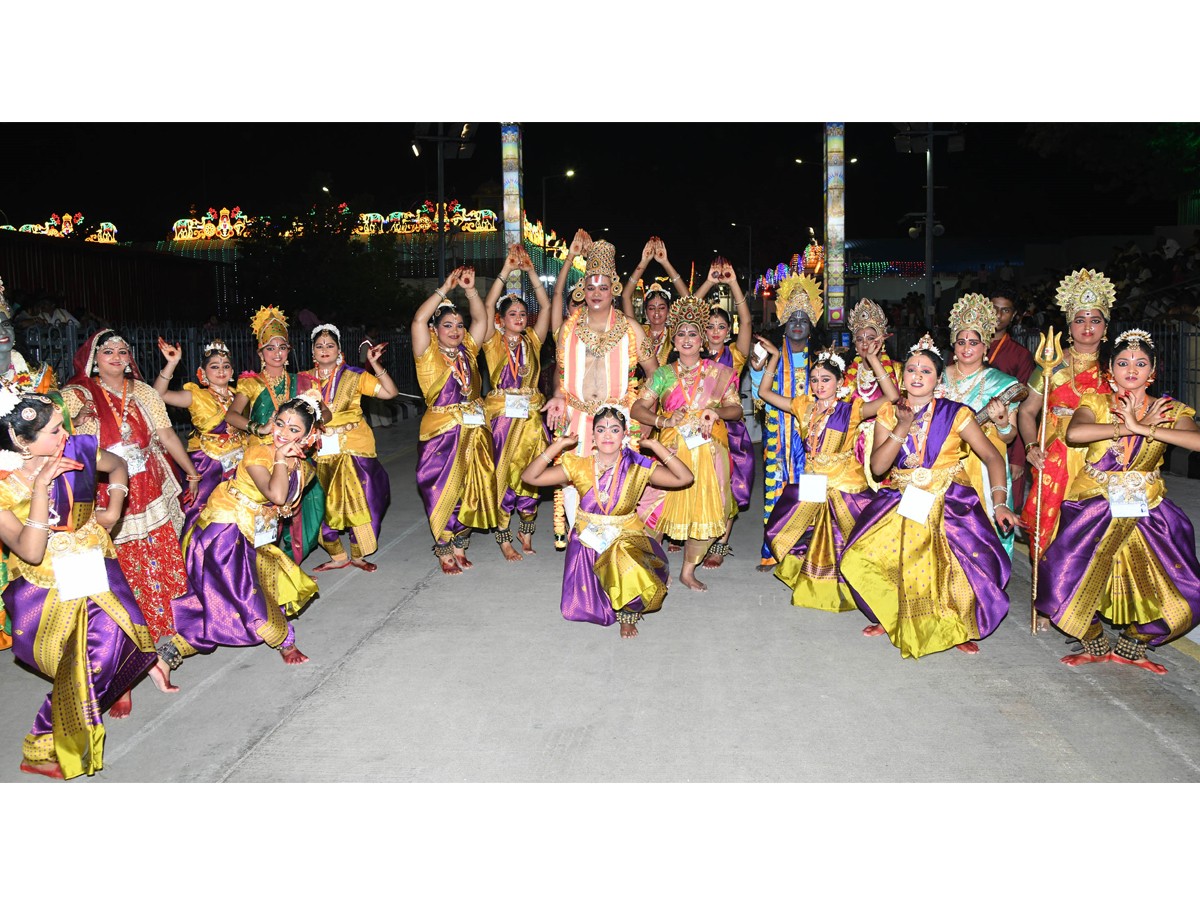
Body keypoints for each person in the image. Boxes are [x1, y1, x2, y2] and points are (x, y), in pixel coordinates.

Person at [0, 389, 171, 779]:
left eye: (63, 427)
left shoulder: (77, 452)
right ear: (21, 440)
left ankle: (49, 742)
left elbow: (118, 466)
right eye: (55, 430)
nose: (66, 435)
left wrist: (114, 505)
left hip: (95, 564)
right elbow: (29, 549)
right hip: (47, 588)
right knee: (79, 664)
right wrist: (42, 487)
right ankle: (45, 746)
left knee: (111, 644)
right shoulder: (5, 488)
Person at [840, 334, 1021, 659]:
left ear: (938, 380)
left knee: (953, 566)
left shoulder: (958, 414)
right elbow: (880, 467)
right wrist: (902, 426)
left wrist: (1001, 502)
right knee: (862, 558)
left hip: (949, 502)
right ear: (903, 376)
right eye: (911, 369)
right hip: (901, 498)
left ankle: (957, 625)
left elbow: (993, 457)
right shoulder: (888, 413)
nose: (917, 376)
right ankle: (892, 615)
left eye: (926, 371)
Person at [1036, 330, 1200, 672]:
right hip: (1095, 504)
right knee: (1063, 577)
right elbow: (1075, 434)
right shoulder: (1095, 403)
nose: (1132, 369)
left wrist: (1145, 428)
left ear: (1152, 370)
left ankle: (1132, 644)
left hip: (1149, 507)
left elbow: (1194, 440)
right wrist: (1129, 428)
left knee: (1186, 589)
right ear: (1110, 368)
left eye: (1141, 363)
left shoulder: (1169, 408)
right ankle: (1093, 641)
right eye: (1123, 362)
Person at [61, 330, 198, 668]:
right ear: (94, 359)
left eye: (123, 351)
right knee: (118, 556)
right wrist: (73, 421)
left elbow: (166, 434)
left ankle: (169, 622)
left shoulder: (142, 391)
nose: (118, 358)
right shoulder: (77, 394)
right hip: (105, 488)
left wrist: (191, 472)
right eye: (109, 352)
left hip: (147, 483)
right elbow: (51, 430)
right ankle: (128, 631)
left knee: (159, 547)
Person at [159, 395, 322, 673]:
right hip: (225, 526)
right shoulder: (259, 452)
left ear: (310, 435)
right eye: (280, 423)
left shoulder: (305, 465)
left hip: (253, 529)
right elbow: (277, 495)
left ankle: (171, 652)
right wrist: (281, 459)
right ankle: (283, 640)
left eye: (294, 430)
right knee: (240, 592)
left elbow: (285, 507)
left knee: (228, 591)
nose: (283, 433)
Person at [520, 406, 693, 638]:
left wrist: (657, 447)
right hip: (588, 539)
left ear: (624, 435)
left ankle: (627, 615)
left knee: (623, 556)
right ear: (593, 436)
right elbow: (529, 477)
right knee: (581, 610)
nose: (608, 435)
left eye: (614, 429)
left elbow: (685, 478)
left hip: (625, 537)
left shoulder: (637, 466)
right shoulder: (579, 466)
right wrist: (557, 447)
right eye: (601, 430)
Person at [757, 342, 897, 611]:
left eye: (826, 379)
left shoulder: (852, 409)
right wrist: (774, 358)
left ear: (840, 381)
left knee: (851, 541)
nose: (819, 385)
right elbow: (764, 392)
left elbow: (891, 397)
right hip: (813, 483)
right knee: (788, 533)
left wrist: (872, 359)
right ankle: (819, 586)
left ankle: (857, 589)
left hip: (845, 486)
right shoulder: (803, 406)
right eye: (814, 380)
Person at [631, 295, 744, 592]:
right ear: (674, 338)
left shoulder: (719, 373)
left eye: (693, 333)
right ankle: (654, 566)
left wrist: (715, 411)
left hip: (709, 450)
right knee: (652, 507)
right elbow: (638, 409)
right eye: (680, 333)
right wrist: (662, 421)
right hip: (670, 452)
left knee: (708, 510)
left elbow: (737, 409)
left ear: (702, 339)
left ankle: (688, 571)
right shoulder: (662, 375)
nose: (686, 339)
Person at [545, 238, 652, 546]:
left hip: (618, 423)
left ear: (613, 290)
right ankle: (584, 557)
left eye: (603, 287)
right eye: (590, 288)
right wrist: (556, 395)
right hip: (577, 420)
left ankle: (614, 560)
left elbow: (656, 376)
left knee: (616, 492)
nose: (596, 294)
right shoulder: (569, 328)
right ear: (583, 290)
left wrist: (643, 413)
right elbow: (560, 371)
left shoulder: (632, 328)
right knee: (574, 490)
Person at [1017, 270, 1115, 563]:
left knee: (1098, 531)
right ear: (1069, 326)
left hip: (1103, 456)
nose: (1088, 327)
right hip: (1056, 455)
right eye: (1080, 320)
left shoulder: (1117, 364)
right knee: (1052, 529)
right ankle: (1051, 598)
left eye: (1095, 320)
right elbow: (1027, 411)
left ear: (1105, 327)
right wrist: (1031, 447)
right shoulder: (1052, 363)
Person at [412, 267, 498, 573]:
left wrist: (471, 290)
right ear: (435, 330)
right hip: (441, 433)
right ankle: (443, 547)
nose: (456, 330)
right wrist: (446, 288)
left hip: (474, 431)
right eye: (447, 325)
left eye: (459, 325)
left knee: (470, 489)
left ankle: (461, 543)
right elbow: (419, 319)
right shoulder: (427, 354)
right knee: (438, 489)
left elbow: (482, 320)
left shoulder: (468, 352)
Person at [225, 306, 327, 564]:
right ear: (261, 352)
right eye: (270, 348)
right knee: (268, 512)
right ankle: (267, 568)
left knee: (310, 505)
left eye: (282, 347)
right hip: (263, 455)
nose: (277, 353)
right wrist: (258, 428)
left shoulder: (303, 381)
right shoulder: (251, 383)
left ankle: (292, 562)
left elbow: (326, 413)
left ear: (289, 352)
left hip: (296, 452)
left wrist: (311, 426)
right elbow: (232, 415)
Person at [297, 322, 398, 573]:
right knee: (323, 505)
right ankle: (338, 555)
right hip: (319, 450)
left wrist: (375, 364)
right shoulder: (302, 380)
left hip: (354, 447)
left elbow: (390, 393)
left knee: (365, 500)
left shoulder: (354, 375)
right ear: (312, 351)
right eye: (319, 346)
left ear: (339, 349)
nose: (324, 349)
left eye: (330, 345)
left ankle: (358, 554)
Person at [0, 275, 62, 650]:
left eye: (6, 324)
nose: (3, 333)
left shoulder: (31, 375)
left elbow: (53, 426)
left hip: (32, 467)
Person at [937, 293, 1023, 556]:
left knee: (980, 532)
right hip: (943, 461)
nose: (966, 348)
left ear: (985, 347)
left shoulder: (1003, 384)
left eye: (973, 342)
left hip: (985, 464)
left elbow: (1009, 437)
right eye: (961, 341)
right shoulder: (937, 377)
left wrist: (1001, 423)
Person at [481, 245, 552, 560]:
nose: (520, 318)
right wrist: (506, 271)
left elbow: (547, 308)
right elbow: (484, 307)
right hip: (502, 421)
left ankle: (526, 529)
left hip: (531, 421)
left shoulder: (533, 341)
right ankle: (504, 537)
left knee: (531, 477)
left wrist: (533, 273)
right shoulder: (492, 342)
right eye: (513, 314)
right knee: (503, 477)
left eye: (523, 314)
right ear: (501, 319)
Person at [749, 274, 820, 570]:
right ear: (783, 323)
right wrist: (757, 370)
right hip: (779, 437)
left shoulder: (822, 359)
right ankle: (773, 549)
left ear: (812, 323)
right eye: (792, 318)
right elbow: (759, 397)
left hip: (813, 439)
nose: (798, 324)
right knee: (776, 490)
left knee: (812, 493)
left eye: (803, 318)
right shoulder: (768, 356)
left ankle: (810, 552)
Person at [693, 257, 755, 567]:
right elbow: (687, 315)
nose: (716, 331)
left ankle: (721, 544)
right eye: (710, 326)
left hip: (729, 430)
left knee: (727, 486)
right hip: (697, 429)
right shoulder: (693, 354)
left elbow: (746, 323)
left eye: (721, 326)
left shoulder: (735, 355)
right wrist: (707, 283)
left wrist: (732, 283)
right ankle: (691, 536)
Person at [153, 338, 246, 538]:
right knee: (203, 512)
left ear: (232, 372)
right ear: (203, 373)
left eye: (226, 366)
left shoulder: (240, 395)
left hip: (239, 461)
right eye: (214, 366)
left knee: (239, 512)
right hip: (208, 464)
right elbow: (159, 394)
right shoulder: (195, 396)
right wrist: (171, 364)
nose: (221, 370)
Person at [842, 297, 903, 491]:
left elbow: (895, 399)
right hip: (854, 443)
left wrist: (872, 359)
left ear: (881, 340)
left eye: (871, 338)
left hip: (885, 440)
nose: (865, 343)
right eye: (860, 339)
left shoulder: (897, 369)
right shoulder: (848, 374)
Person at [988, 291, 1036, 507]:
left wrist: (1017, 457)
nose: (998, 315)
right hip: (967, 435)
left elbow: (1024, 406)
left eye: (1005, 310)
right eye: (993, 308)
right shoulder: (964, 348)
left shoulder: (1021, 355)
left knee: (1003, 502)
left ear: (1014, 315)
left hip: (1007, 434)